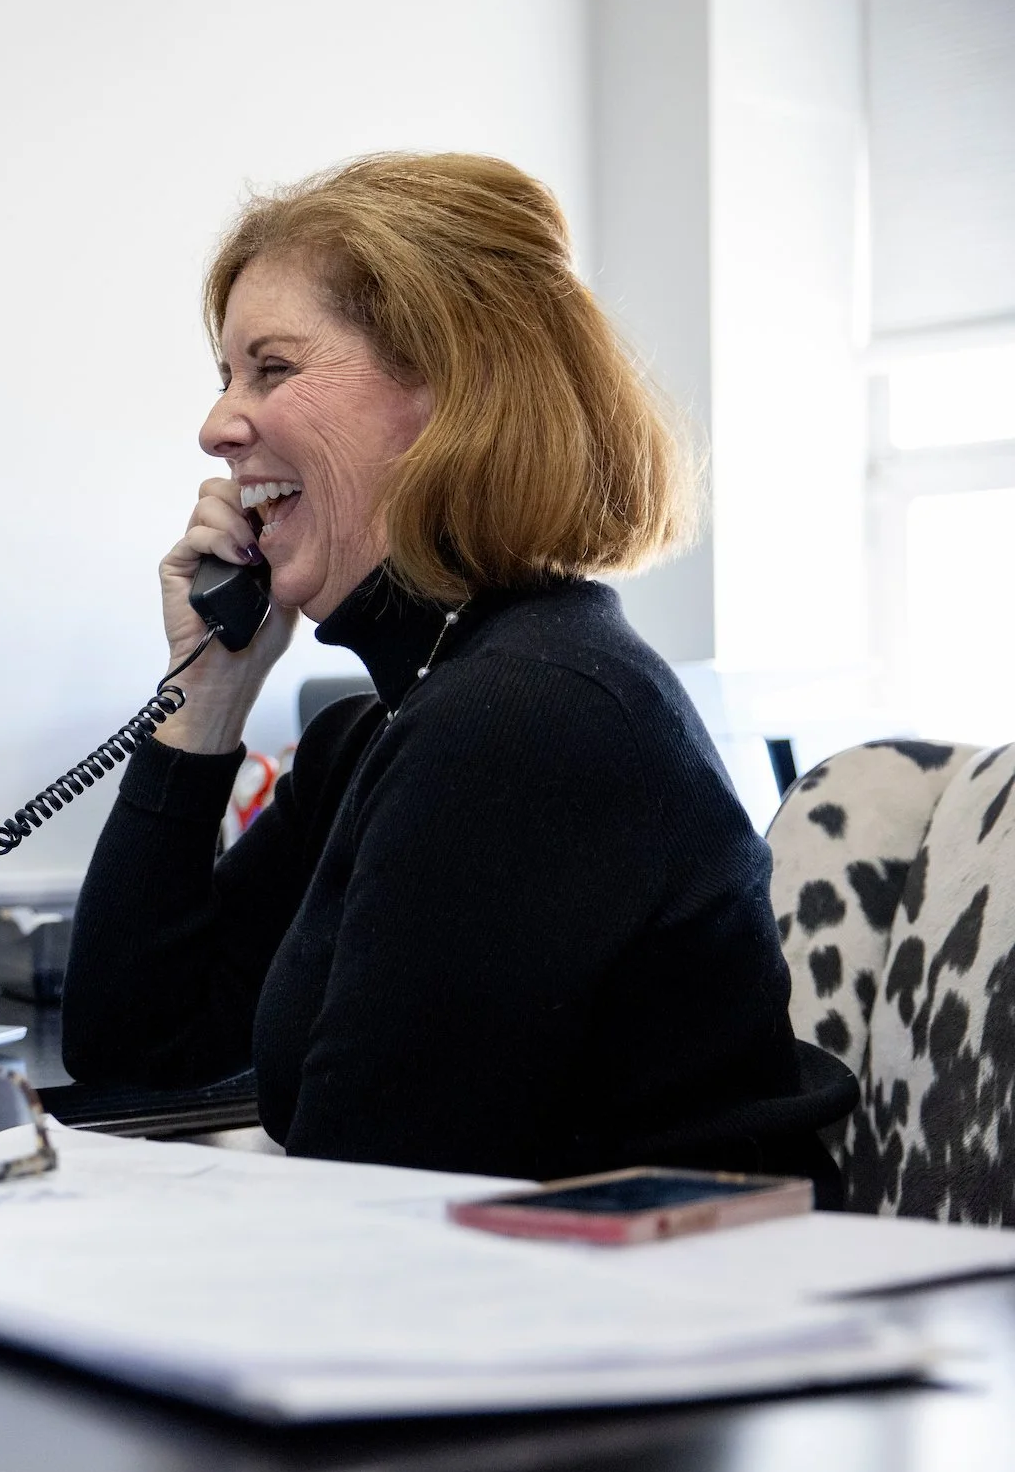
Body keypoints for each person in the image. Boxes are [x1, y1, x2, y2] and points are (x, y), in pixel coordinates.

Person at [60, 152, 847, 1189]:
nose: (217, 426)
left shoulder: (526, 718)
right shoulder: (389, 726)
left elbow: (365, 1189)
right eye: (225, 377)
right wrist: (203, 696)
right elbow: (134, 1056)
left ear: (448, 389)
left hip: (654, 1328)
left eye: (272, 368)